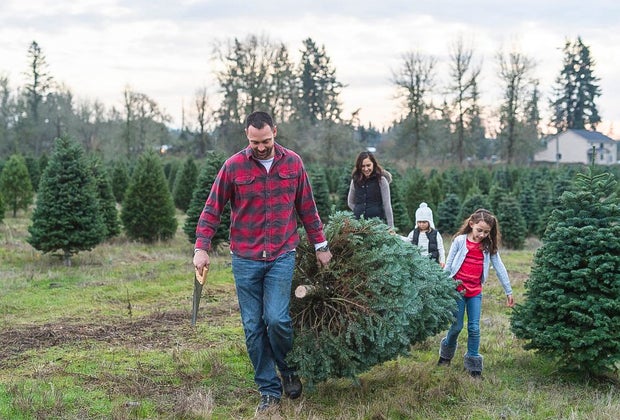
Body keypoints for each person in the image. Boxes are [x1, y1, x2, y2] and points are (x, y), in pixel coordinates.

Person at [193, 111, 332, 414]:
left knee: (277, 319)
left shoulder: (293, 163)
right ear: (247, 135)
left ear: (275, 133)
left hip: (282, 254)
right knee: (253, 327)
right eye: (255, 142)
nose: (261, 147)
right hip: (245, 258)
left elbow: (307, 207)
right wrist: (201, 248)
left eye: (266, 140)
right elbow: (211, 210)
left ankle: (289, 369)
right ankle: (268, 390)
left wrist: (321, 244)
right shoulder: (233, 166)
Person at [437, 208, 514, 378]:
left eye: (486, 232)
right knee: (456, 326)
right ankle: (445, 355)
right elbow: (449, 265)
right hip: (457, 290)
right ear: (471, 224)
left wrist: (508, 291)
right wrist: (440, 285)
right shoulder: (459, 241)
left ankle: (473, 366)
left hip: (475, 292)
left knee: (474, 328)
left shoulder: (488, 246)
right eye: (480, 230)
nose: (482, 235)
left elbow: (499, 268)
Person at [347, 151, 394, 228]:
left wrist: (391, 227)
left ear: (374, 164)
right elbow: (350, 202)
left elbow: (387, 205)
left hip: (377, 225)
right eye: (363, 166)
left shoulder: (381, 181)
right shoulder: (355, 181)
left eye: (368, 165)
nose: (366, 169)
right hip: (358, 226)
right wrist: (358, 211)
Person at [405, 202, 445, 267]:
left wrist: (442, 260)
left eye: (424, 222)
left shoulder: (435, 234)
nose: (421, 224)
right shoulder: (414, 233)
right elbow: (407, 241)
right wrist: (396, 236)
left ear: (429, 222)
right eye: (419, 222)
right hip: (418, 263)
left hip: (432, 263)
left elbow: (440, 248)